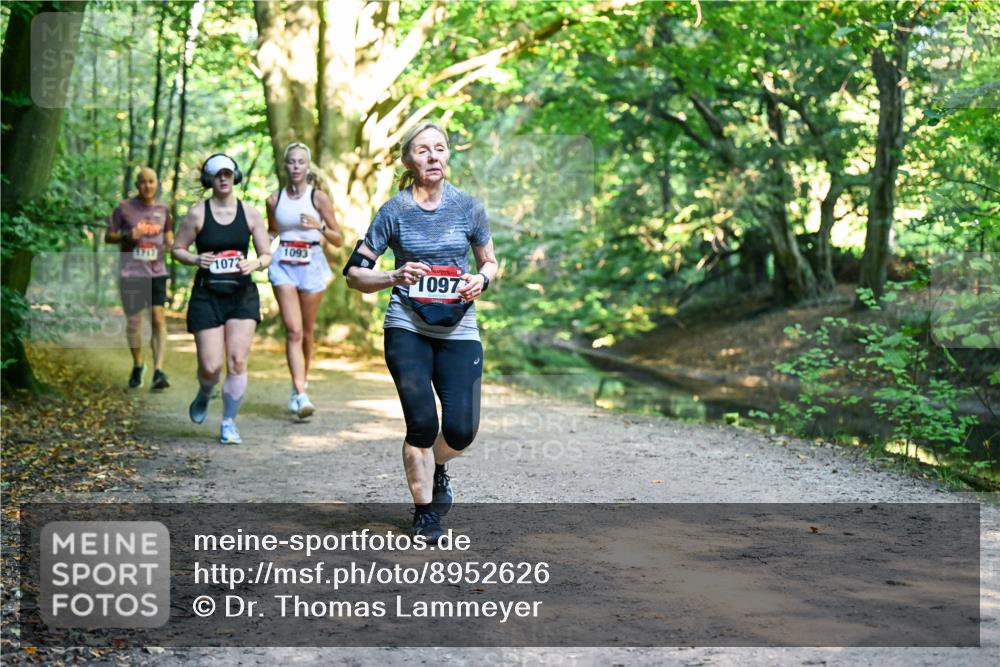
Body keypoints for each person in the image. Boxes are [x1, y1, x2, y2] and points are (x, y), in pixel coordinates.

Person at [344, 121, 498, 542]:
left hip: (459, 328)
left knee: (462, 432)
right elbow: (355, 274)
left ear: (448, 156)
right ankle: (425, 511)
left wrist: (481, 280)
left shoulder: (469, 207)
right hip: (407, 326)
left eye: (441, 149)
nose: (434, 156)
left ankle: (439, 466)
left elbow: (489, 261)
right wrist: (394, 275)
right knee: (422, 424)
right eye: (424, 150)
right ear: (408, 160)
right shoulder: (393, 211)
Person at [171, 154, 272, 445]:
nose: (223, 179)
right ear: (210, 180)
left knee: (238, 360)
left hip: (242, 295)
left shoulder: (250, 213)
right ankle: (205, 392)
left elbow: (266, 254)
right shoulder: (197, 214)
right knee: (211, 366)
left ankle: (228, 422)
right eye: (218, 175)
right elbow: (176, 248)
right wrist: (194, 258)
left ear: (235, 176)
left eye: (228, 174)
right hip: (207, 294)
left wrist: (255, 263)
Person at [265, 142, 343, 418]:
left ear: (307, 166)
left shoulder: (318, 198)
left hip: (311, 265)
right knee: (294, 330)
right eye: (291, 162)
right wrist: (261, 249)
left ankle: (300, 383)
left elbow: (338, 238)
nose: (296, 166)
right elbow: (272, 232)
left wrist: (318, 226)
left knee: (307, 334)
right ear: (285, 166)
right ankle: (300, 393)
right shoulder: (274, 200)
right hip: (283, 266)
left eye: (301, 162)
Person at [105, 166, 174, 390]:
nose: (147, 185)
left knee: (158, 318)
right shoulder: (124, 208)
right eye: (143, 182)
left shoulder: (164, 209)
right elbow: (109, 236)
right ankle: (138, 364)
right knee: (134, 323)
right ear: (137, 185)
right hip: (131, 273)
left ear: (157, 184)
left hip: (157, 271)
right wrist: (128, 235)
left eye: (151, 181)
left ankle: (159, 371)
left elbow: (169, 236)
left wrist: (174, 246)